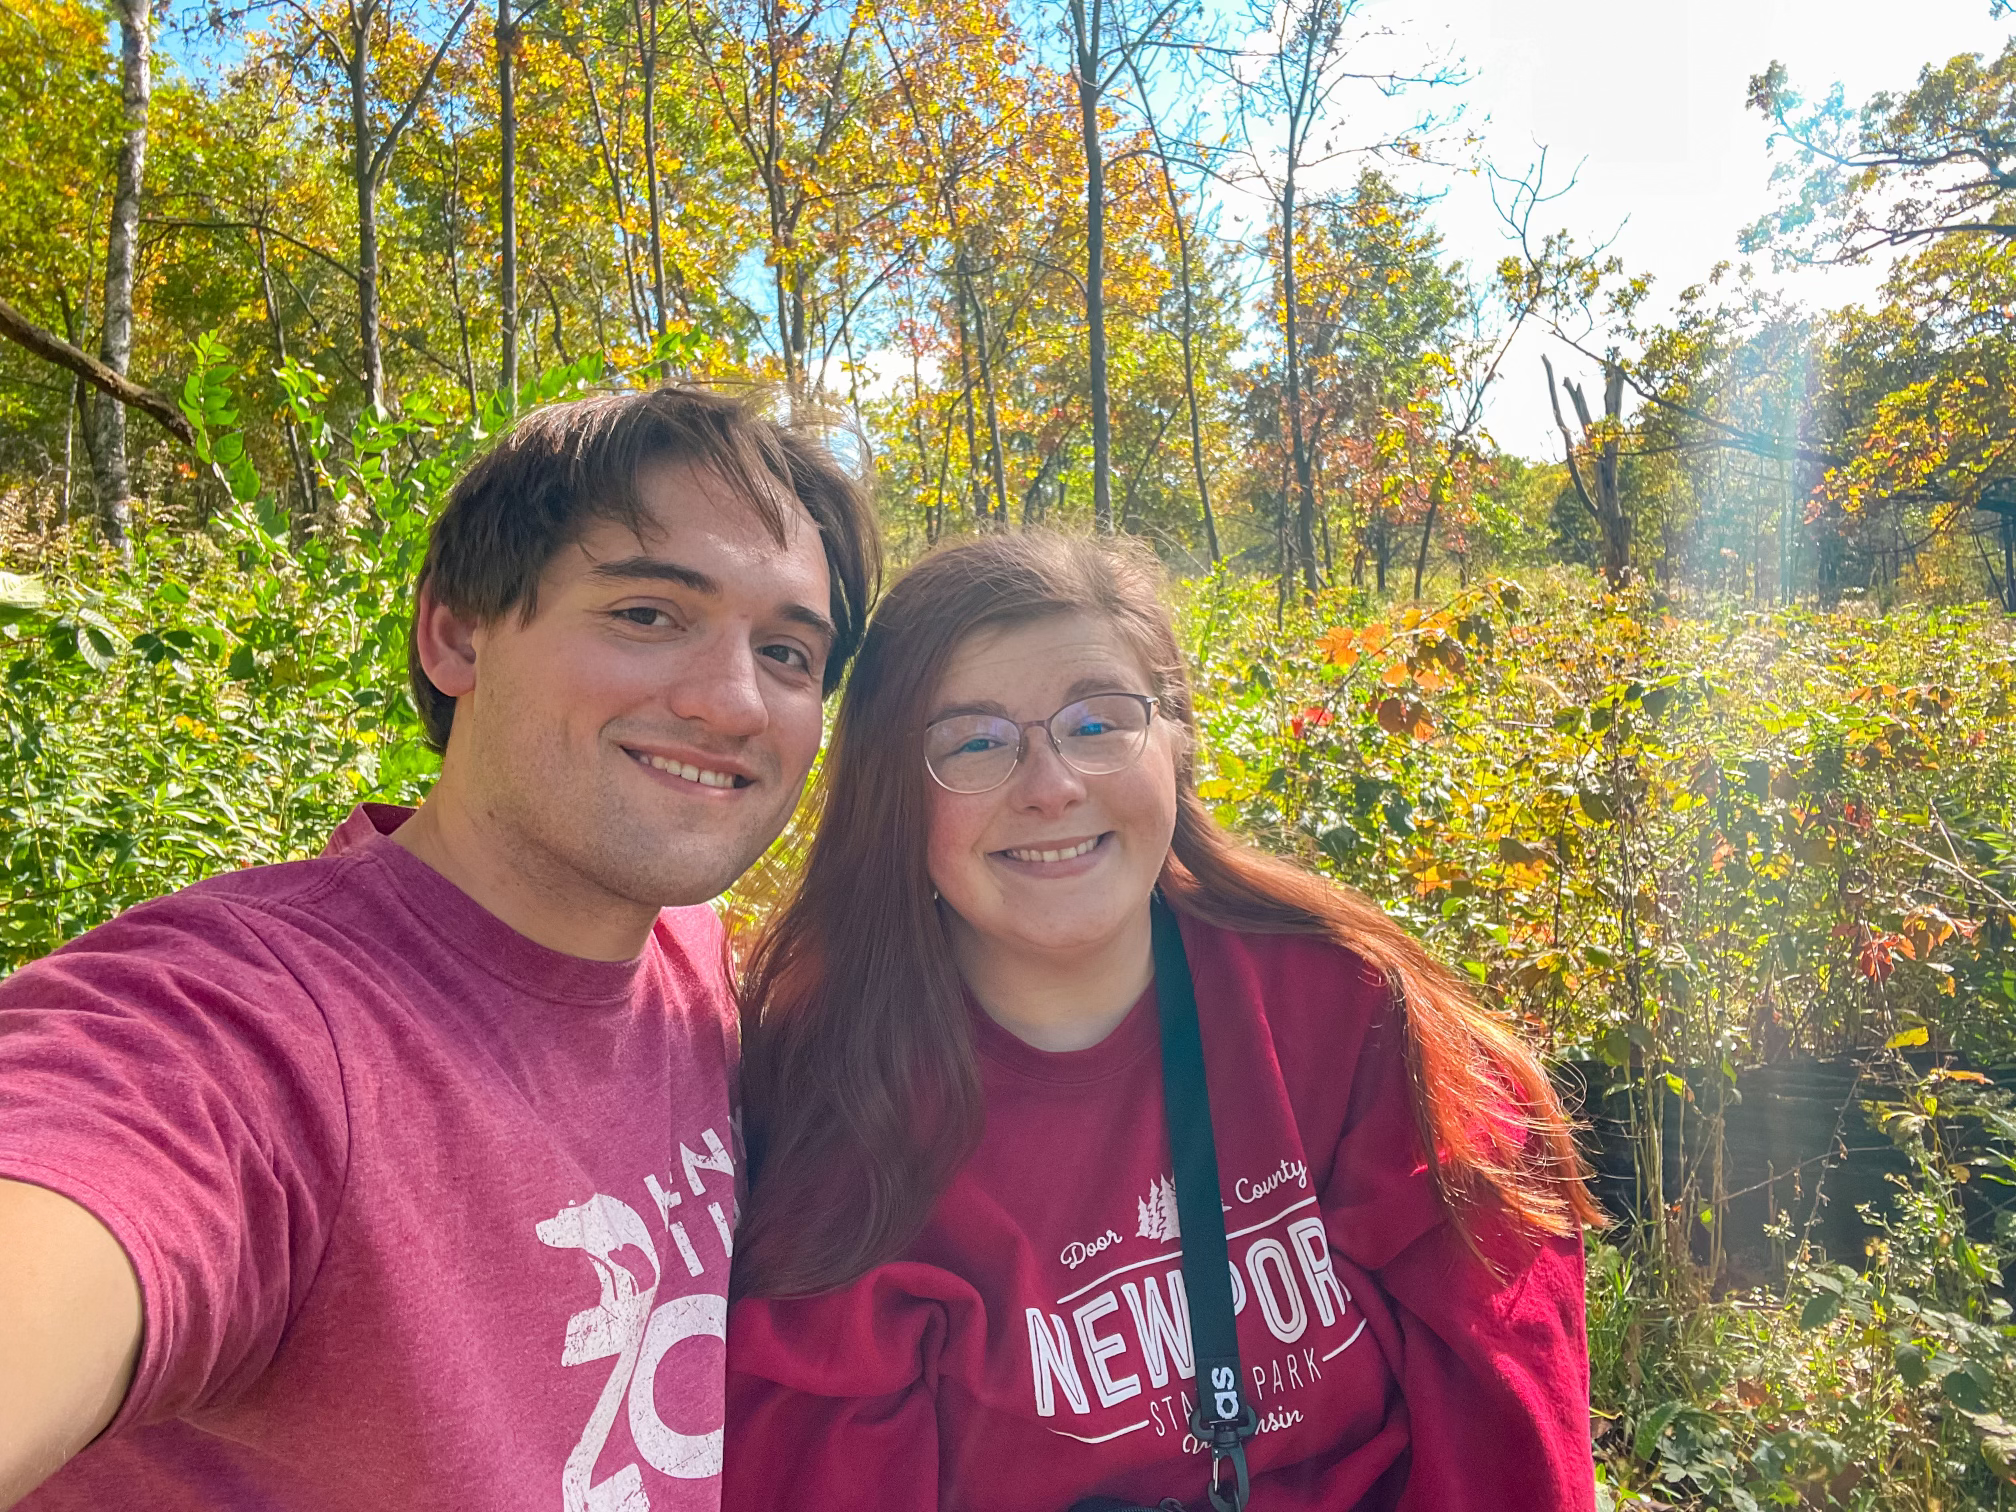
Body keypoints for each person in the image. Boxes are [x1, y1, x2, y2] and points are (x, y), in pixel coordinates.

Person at [0, 386, 879, 1512]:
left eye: (790, 653)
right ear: (457, 634)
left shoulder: (701, 969)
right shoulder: (249, 1028)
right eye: (648, 614)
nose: (733, 701)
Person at [726, 531, 1602, 1511]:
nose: (1050, 784)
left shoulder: (1344, 1010)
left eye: (1099, 723)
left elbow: (1506, 1420)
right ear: (894, 795)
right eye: (973, 742)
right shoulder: (845, 1109)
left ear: (1175, 740)